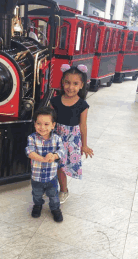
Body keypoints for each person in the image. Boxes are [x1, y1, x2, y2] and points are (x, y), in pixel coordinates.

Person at [50, 64, 94, 204]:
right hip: (55, 138)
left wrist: (84, 145)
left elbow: (83, 126)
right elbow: (49, 120)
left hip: (71, 141)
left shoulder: (82, 105)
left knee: (62, 167)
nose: (71, 87)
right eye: (67, 82)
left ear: (81, 85)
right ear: (62, 83)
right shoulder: (55, 101)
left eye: (75, 83)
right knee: (53, 165)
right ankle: (49, 188)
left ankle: (63, 190)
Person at [25, 106, 65, 222]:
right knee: (36, 194)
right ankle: (38, 205)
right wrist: (43, 159)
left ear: (53, 125)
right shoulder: (32, 138)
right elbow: (29, 152)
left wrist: (54, 156)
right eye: (39, 123)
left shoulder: (57, 139)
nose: (42, 127)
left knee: (53, 195)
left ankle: (55, 209)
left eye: (46, 124)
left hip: (51, 176)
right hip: (36, 177)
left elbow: (62, 150)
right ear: (35, 124)